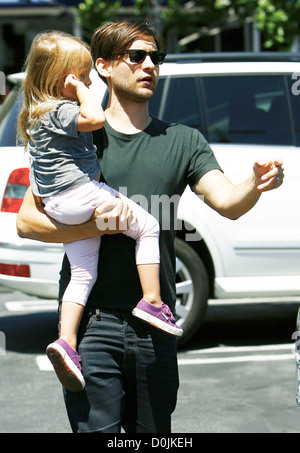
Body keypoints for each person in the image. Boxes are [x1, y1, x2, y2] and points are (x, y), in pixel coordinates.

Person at [17, 20, 284, 433]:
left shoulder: (183, 141)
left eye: (155, 57)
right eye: (136, 56)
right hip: (92, 322)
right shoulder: (76, 135)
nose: (149, 66)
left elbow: (229, 203)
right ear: (102, 67)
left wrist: (256, 182)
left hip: (154, 324)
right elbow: (27, 222)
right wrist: (95, 225)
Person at [17, 31, 182, 394]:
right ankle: (153, 301)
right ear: (64, 77)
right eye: (83, 74)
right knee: (149, 226)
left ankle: (66, 341)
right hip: (79, 193)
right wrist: (80, 89)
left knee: (82, 273)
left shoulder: (34, 116)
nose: (90, 81)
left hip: (59, 204)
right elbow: (95, 119)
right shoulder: (60, 109)